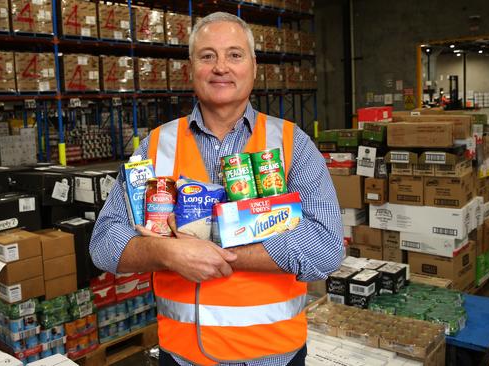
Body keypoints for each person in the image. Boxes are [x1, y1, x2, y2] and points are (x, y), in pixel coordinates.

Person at [90, 12, 343, 366]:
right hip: (183, 356)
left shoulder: (291, 143)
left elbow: (326, 247)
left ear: (254, 67)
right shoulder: (157, 145)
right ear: (191, 68)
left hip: (273, 356)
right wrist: (168, 254)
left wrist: (216, 251)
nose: (221, 66)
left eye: (234, 55)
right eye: (207, 56)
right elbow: (103, 243)